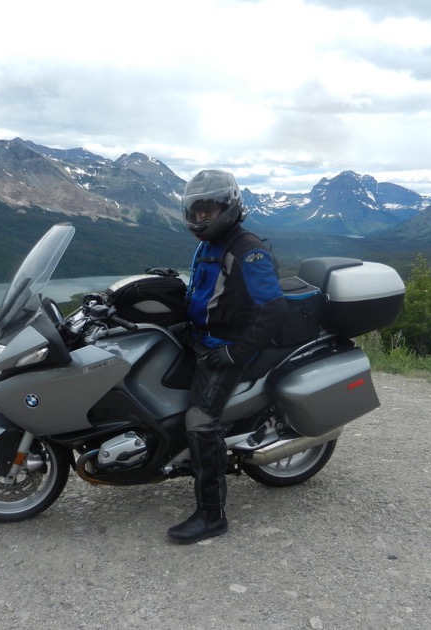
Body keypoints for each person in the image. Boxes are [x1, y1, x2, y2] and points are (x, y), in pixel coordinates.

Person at [168, 169, 287, 544]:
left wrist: (235, 353)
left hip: (228, 346)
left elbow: (273, 308)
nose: (201, 218)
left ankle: (211, 515)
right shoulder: (209, 245)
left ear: (228, 207)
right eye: (196, 211)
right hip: (201, 338)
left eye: (209, 211)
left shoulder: (246, 249)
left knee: (201, 419)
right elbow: (204, 291)